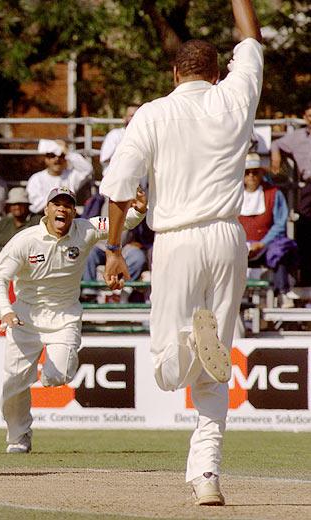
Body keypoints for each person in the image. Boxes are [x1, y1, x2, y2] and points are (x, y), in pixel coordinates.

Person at [99, 0, 262, 506]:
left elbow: (120, 187)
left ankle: (192, 342)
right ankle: (206, 474)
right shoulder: (236, 96)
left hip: (177, 240)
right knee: (217, 373)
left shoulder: (154, 112)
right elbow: (251, 38)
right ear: (219, 72)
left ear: (174, 72)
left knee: (166, 370)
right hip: (229, 237)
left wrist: (114, 248)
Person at [0, 186, 146, 454]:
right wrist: (5, 310)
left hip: (64, 317)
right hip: (24, 318)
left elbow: (120, 221)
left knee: (55, 377)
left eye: (68, 205)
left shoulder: (85, 229)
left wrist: (138, 209)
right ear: (46, 209)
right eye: (56, 204)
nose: (62, 209)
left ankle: (49, 373)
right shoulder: (25, 240)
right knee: (13, 383)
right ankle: (18, 437)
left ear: (74, 211)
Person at [239, 153, 298, 307]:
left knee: (281, 250)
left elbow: (280, 223)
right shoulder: (234, 195)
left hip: (266, 245)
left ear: (261, 173)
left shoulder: (274, 194)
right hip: (241, 244)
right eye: (247, 172)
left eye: (255, 172)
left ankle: (283, 292)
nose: (251, 176)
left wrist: (262, 243)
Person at [270, 102, 311, 285]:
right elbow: (276, 143)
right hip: (309, 185)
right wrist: (276, 156)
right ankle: (305, 277)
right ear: (305, 117)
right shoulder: (297, 137)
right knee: (304, 226)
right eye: (310, 116)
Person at [25, 139, 93, 214]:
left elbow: (87, 169)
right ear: (46, 159)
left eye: (61, 156)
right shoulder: (36, 179)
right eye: (52, 156)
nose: (57, 159)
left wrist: (67, 152)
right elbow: (36, 207)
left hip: (66, 215)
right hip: (43, 216)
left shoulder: (71, 176)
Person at [0, 187, 42, 266]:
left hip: (25, 266)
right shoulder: (4, 222)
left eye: (20, 204)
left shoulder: (37, 222)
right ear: (9, 207)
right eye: (14, 204)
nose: (17, 207)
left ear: (27, 205)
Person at [99, 105, 140, 172]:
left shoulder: (144, 136)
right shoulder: (115, 135)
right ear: (125, 118)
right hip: (116, 179)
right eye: (132, 115)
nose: (135, 118)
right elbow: (104, 159)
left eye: (137, 115)